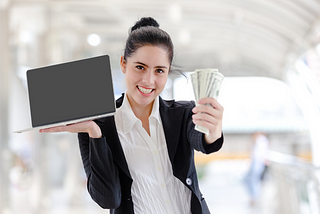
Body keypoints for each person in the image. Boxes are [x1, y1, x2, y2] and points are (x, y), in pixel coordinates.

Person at [40, 17, 224, 214]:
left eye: (159, 70)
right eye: (140, 67)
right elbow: (108, 198)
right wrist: (95, 134)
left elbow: (202, 140)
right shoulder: (98, 125)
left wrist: (211, 131)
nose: (148, 80)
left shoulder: (183, 113)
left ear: (168, 71)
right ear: (123, 64)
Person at [244, 132, 269, 207]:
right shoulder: (259, 140)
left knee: (253, 180)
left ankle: (255, 198)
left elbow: (260, 153)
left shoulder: (261, 140)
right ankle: (254, 197)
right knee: (249, 179)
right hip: (256, 162)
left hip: (258, 162)